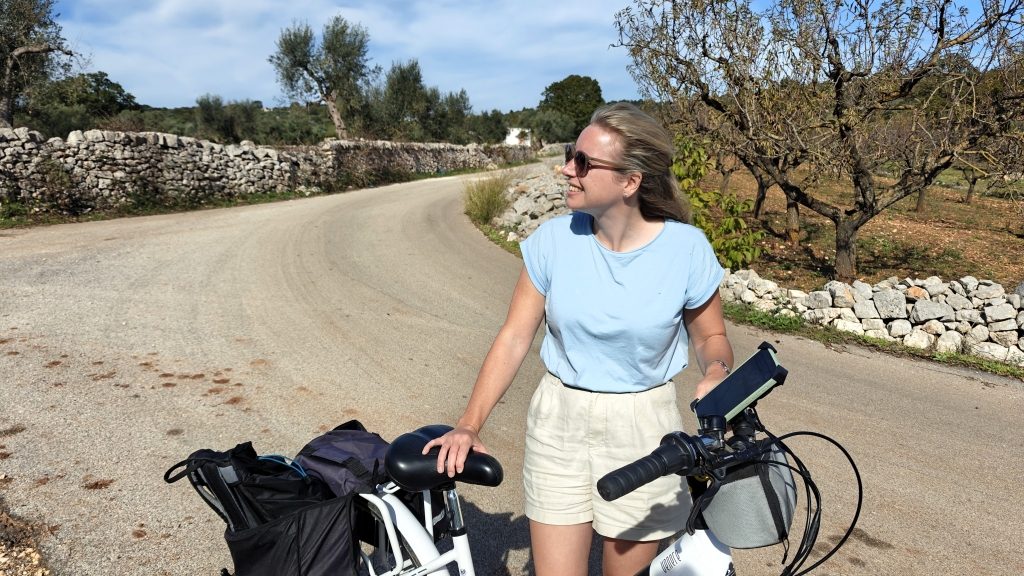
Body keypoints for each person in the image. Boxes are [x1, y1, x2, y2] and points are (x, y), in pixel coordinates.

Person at [424, 102, 734, 576]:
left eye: (583, 162)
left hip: (644, 427)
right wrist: (469, 423)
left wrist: (716, 370)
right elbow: (513, 338)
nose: (568, 168)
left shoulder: (686, 249)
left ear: (630, 181)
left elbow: (711, 335)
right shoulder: (552, 241)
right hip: (559, 422)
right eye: (573, 154)